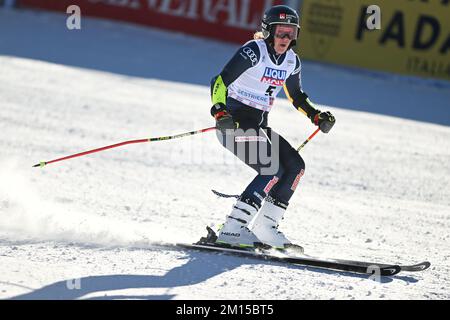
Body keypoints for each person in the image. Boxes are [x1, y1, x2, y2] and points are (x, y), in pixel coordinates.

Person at [209, 5, 335, 250]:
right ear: (268, 31)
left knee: (295, 167)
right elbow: (220, 81)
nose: (286, 39)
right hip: (233, 123)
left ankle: (266, 228)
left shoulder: (291, 61)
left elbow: (297, 96)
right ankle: (232, 230)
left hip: (258, 126)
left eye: (291, 34)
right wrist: (219, 111)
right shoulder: (254, 52)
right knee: (271, 169)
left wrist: (316, 115)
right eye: (281, 33)